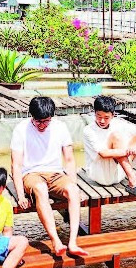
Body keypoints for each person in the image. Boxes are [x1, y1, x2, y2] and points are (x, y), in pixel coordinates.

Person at [11, 97, 88, 257]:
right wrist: (20, 195)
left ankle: (73, 241)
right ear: (31, 116)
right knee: (40, 188)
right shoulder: (21, 129)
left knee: (73, 190)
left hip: (55, 173)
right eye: (38, 121)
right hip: (31, 174)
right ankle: (55, 240)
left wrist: (73, 184)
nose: (42, 125)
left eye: (46, 121)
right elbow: (16, 165)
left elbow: (69, 160)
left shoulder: (60, 127)